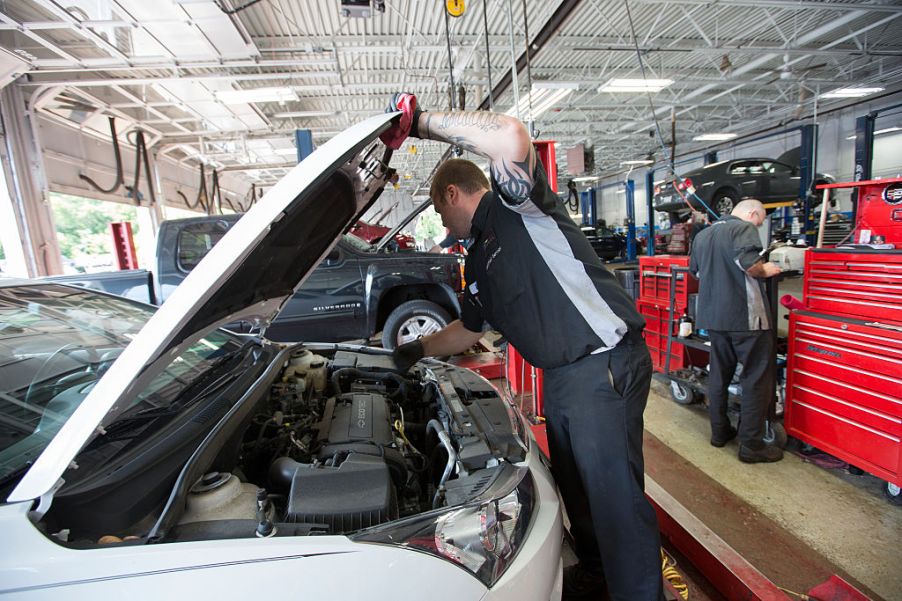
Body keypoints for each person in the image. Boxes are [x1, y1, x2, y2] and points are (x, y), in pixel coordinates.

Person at [382, 93, 664, 600]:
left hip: (601, 364)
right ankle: (600, 575)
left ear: (452, 194)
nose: (444, 228)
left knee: (614, 501)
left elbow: (511, 135)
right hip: (563, 376)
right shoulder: (478, 256)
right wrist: (416, 350)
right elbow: (469, 330)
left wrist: (420, 123)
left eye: (442, 215)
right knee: (578, 491)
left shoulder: (519, 207)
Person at [689, 199, 784, 463]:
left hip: (713, 318)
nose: (758, 226)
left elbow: (695, 272)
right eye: (760, 222)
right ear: (752, 214)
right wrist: (765, 269)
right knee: (755, 378)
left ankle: (720, 432)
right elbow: (749, 263)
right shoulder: (743, 228)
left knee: (720, 374)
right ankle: (751, 445)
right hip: (746, 318)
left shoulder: (703, 234)